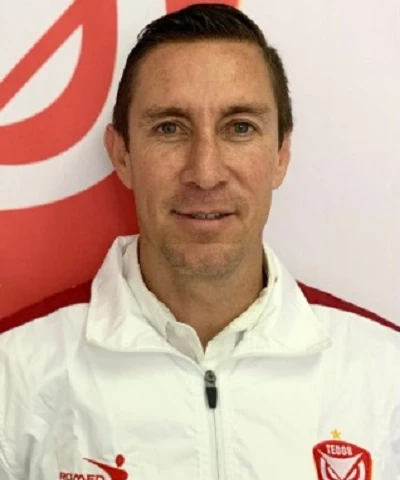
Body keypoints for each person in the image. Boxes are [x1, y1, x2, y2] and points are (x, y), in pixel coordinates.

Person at [0, 4, 399, 479]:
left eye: (240, 127)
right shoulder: (14, 371)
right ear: (122, 155)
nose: (205, 173)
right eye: (170, 128)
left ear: (280, 155)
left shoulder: (385, 373)